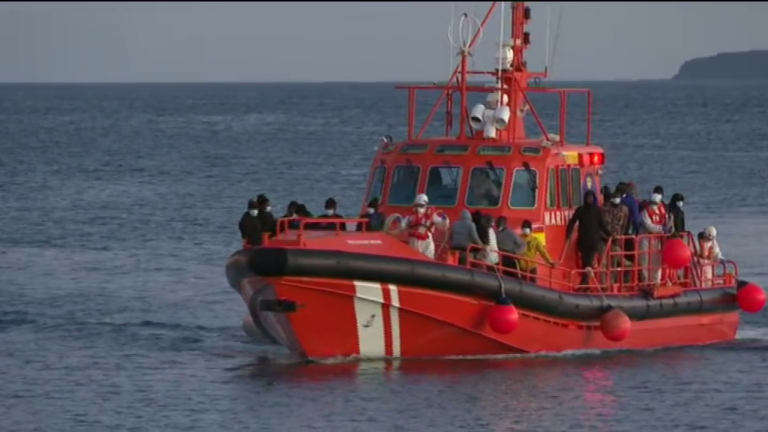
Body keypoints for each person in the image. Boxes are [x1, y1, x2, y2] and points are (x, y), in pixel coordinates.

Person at [566, 190, 613, 287]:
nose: (589, 199)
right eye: (588, 198)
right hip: (583, 241)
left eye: (591, 198)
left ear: (593, 199)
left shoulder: (597, 210)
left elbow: (602, 225)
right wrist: (568, 234)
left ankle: (585, 283)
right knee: (584, 262)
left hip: (593, 242)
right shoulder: (580, 210)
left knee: (588, 262)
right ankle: (585, 283)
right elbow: (572, 221)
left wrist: (610, 234)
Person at [397, 193, 449, 259]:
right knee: (412, 258)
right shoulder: (410, 217)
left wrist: (445, 220)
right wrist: (401, 222)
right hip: (413, 242)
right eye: (417, 205)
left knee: (427, 258)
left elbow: (442, 225)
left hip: (426, 243)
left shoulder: (431, 215)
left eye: (421, 205)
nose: (418, 208)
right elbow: (402, 227)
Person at [638, 190, 668, 284]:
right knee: (645, 261)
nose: (653, 205)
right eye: (652, 203)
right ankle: (645, 282)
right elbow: (648, 226)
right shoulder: (645, 213)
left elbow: (667, 221)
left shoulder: (662, 212)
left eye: (655, 203)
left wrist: (668, 227)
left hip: (657, 239)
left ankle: (656, 281)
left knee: (657, 261)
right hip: (646, 238)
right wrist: (661, 228)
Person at [601, 190, 629, 283]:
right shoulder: (604, 208)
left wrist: (621, 235)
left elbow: (625, 224)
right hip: (604, 238)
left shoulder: (624, 210)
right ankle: (605, 284)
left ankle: (612, 282)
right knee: (604, 263)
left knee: (614, 262)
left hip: (617, 239)